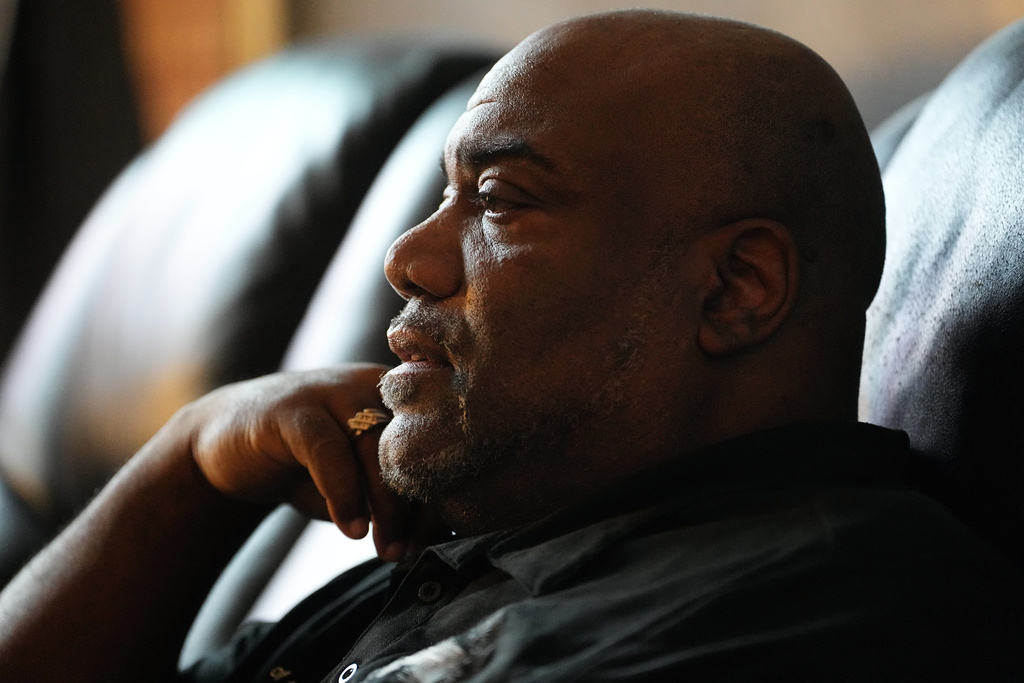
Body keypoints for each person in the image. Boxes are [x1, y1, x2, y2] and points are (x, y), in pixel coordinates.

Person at [1, 9, 1022, 682]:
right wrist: (187, 464)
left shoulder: (819, 604)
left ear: (734, 289)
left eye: (498, 200)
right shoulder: (469, 557)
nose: (406, 256)